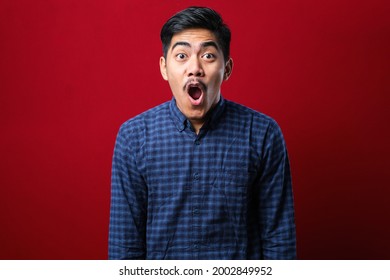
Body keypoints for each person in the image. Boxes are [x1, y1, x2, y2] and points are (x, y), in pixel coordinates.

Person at [109, 6, 296, 260]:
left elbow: (279, 240)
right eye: (182, 55)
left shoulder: (262, 134)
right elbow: (124, 246)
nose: (194, 68)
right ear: (164, 68)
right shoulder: (134, 137)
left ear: (227, 68)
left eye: (208, 56)